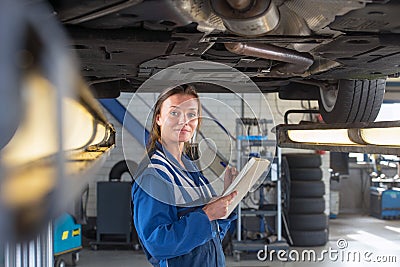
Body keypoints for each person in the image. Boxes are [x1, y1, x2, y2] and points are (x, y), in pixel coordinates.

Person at [131, 84, 238, 267]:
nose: (184, 121)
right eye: (174, 113)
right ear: (158, 118)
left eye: (191, 114)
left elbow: (211, 233)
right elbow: (157, 244)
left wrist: (229, 196)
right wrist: (206, 215)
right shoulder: (154, 175)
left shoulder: (191, 169)